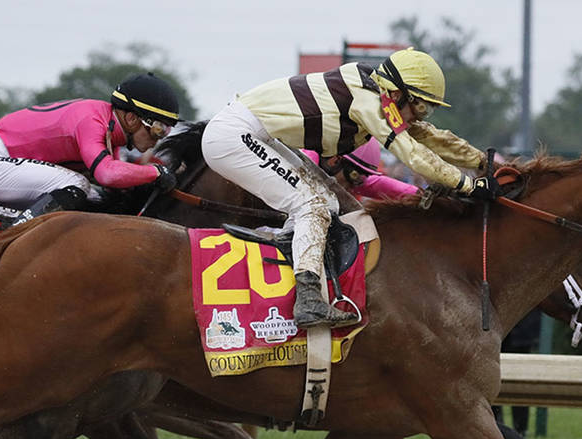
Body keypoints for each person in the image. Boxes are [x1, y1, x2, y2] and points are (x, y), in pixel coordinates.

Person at [201, 47, 494, 328]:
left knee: (328, 202)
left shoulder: (378, 93)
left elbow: (431, 138)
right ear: (396, 93)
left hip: (254, 133)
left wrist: (482, 161)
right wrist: (467, 184)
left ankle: (290, 267)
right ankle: (307, 300)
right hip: (234, 135)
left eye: (428, 109)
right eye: (420, 105)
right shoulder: (367, 102)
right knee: (311, 205)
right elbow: (412, 153)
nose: (421, 115)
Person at [0, 72, 181, 225]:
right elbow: (107, 174)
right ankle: (15, 240)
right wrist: (155, 172)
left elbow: (114, 182)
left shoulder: (109, 129)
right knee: (77, 184)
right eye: (159, 129)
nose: (159, 139)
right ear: (132, 118)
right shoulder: (92, 120)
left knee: (94, 196)